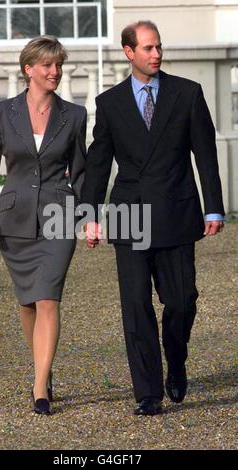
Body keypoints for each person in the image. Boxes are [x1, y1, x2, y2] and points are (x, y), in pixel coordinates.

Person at [82, 21, 224, 416]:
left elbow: (206, 155)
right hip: (128, 213)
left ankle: (175, 359)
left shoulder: (187, 94)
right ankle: (148, 392)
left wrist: (214, 206)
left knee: (181, 301)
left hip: (176, 212)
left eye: (158, 47)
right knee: (135, 306)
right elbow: (98, 164)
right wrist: (90, 215)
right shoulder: (109, 103)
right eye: (147, 48)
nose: (156, 54)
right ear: (129, 52)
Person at [0, 36, 87, 415]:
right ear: (28, 69)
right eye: (47, 65)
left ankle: (39, 388)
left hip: (58, 216)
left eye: (58, 65)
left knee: (48, 297)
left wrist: (90, 216)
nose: (55, 72)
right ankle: (43, 368)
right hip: (15, 218)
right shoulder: (2, 112)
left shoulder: (75, 115)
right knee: (27, 301)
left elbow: (82, 171)